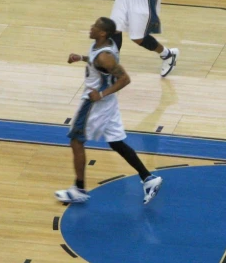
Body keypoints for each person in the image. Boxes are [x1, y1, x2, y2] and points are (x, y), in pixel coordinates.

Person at [56, 16, 163, 205]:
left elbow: (125, 79)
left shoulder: (105, 55)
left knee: (76, 141)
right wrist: (81, 58)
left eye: (94, 26)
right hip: (109, 104)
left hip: (95, 103)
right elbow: (99, 64)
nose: (91, 28)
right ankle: (148, 178)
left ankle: (79, 189)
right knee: (116, 143)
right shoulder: (102, 47)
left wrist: (102, 94)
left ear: (103, 33)